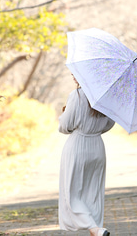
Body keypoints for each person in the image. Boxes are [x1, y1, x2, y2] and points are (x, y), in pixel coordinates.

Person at [58, 74, 115, 236]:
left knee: (73, 192)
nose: (72, 75)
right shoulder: (106, 97)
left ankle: (95, 229)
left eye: (76, 73)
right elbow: (110, 123)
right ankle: (95, 229)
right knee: (93, 192)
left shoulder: (76, 96)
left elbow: (65, 126)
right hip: (97, 146)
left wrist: (63, 115)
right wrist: (94, 130)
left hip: (78, 146)